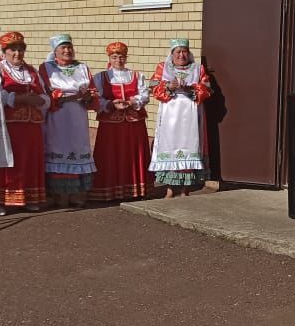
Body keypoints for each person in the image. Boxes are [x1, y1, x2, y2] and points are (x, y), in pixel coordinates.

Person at [0, 31, 48, 216]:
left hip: (31, 125)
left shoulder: (31, 71)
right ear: (4, 51)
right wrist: (19, 99)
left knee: (29, 160)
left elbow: (43, 92)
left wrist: (41, 100)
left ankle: (29, 198)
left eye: (21, 49)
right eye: (13, 50)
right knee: (8, 161)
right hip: (9, 124)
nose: (17, 53)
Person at [39, 33, 99, 208]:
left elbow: (93, 92)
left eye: (69, 47)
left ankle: (77, 193)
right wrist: (68, 97)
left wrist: (88, 97)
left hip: (78, 118)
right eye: (63, 48)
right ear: (55, 51)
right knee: (59, 149)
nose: (67, 50)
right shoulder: (46, 67)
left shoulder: (82, 67)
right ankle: (60, 195)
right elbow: (44, 93)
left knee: (78, 150)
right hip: (58, 117)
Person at [149, 38, 212, 198]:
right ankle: (170, 189)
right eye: (178, 52)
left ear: (189, 53)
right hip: (170, 114)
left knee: (189, 147)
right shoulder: (163, 68)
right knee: (169, 148)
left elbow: (207, 89)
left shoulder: (198, 68)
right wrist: (167, 87)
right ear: (172, 54)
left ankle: (185, 190)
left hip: (190, 115)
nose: (181, 55)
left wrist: (190, 88)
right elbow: (153, 86)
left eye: (184, 51)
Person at [90, 42, 153, 202]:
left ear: (126, 58)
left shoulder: (137, 75)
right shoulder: (101, 77)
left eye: (121, 57)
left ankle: (135, 189)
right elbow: (97, 98)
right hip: (110, 124)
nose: (118, 60)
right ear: (109, 58)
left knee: (133, 154)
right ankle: (109, 190)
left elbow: (144, 95)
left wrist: (132, 102)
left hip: (133, 122)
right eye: (114, 57)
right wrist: (111, 104)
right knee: (111, 154)